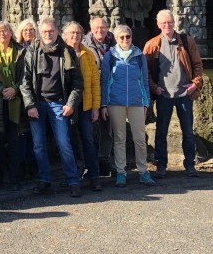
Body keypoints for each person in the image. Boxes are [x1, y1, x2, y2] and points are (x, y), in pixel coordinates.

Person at [19, 17, 84, 197]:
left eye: (51, 31)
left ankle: (73, 181)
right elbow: (25, 82)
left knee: (64, 144)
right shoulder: (32, 51)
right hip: (38, 104)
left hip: (59, 104)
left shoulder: (67, 52)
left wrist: (71, 104)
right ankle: (44, 180)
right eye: (45, 31)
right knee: (39, 145)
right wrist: (30, 105)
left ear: (57, 32)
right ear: (40, 32)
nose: (48, 34)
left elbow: (78, 83)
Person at [143, 9, 204, 178]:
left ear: (174, 23)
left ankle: (190, 165)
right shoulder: (152, 45)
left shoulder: (186, 41)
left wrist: (195, 84)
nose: (167, 25)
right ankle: (161, 165)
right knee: (161, 132)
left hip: (184, 94)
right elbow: (145, 71)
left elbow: (198, 65)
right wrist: (155, 88)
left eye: (169, 22)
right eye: (163, 23)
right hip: (164, 95)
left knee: (188, 132)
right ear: (158, 25)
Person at [101, 24, 154, 187]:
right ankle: (121, 172)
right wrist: (104, 104)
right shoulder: (110, 56)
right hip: (115, 101)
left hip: (136, 102)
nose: (125, 39)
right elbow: (104, 81)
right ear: (116, 39)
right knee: (119, 138)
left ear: (131, 37)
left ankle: (143, 171)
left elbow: (144, 81)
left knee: (139, 138)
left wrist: (146, 102)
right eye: (121, 37)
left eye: (127, 36)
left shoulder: (139, 55)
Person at [0, 21, 26, 190]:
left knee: (15, 143)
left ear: (11, 33)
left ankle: (15, 178)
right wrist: (2, 90)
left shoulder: (20, 51)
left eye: (6, 31)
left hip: (16, 103)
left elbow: (25, 76)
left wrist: (14, 90)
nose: (2, 34)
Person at [63, 21, 102, 191]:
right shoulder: (60, 54)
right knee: (69, 143)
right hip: (67, 106)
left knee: (88, 141)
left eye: (78, 33)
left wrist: (95, 107)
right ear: (65, 36)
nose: (75, 36)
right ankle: (73, 178)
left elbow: (95, 83)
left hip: (85, 106)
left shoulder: (88, 54)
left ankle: (94, 177)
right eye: (72, 33)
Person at [82, 16, 115, 176]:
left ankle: (104, 160)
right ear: (91, 28)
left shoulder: (115, 43)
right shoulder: (83, 44)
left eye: (102, 27)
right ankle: (89, 164)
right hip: (90, 92)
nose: (99, 30)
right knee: (89, 130)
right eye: (96, 28)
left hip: (110, 92)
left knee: (108, 129)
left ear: (107, 28)